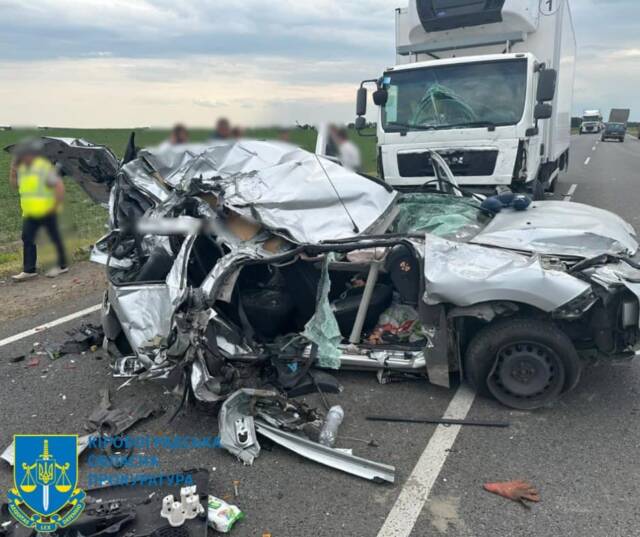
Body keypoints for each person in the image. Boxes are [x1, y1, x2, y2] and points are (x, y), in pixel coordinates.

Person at [9, 139, 68, 281]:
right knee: (28, 238)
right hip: (29, 212)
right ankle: (29, 270)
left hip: (47, 210)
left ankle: (62, 266)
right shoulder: (23, 169)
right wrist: (13, 170)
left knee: (53, 237)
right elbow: (15, 185)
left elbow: (59, 187)